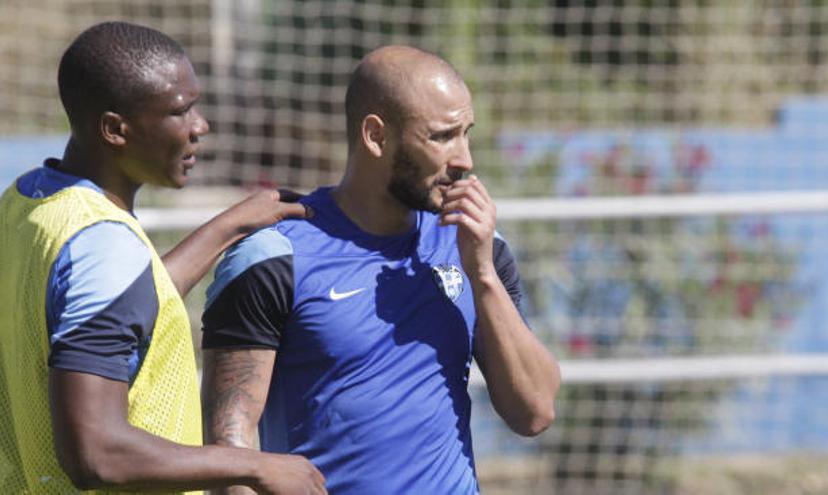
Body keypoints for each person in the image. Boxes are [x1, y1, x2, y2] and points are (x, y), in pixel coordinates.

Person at [200, 45, 561, 494]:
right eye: (442, 136)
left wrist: (482, 274)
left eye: (466, 133)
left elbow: (535, 411)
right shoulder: (275, 256)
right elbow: (230, 448)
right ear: (375, 136)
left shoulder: (474, 245)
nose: (465, 159)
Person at [0, 21, 327, 494]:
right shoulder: (101, 244)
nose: (201, 126)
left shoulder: (28, 201)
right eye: (180, 111)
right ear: (116, 129)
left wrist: (231, 224)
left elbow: (122, 305)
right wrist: (251, 465)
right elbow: (96, 453)